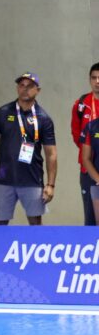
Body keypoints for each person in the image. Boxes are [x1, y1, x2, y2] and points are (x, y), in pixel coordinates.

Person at [0, 72, 57, 226]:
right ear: (17, 88)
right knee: (0, 223)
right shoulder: (2, 113)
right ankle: (0, 250)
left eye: (29, 86)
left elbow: (51, 154)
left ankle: (36, 250)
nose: (25, 89)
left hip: (32, 179)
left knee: (35, 224)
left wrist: (50, 184)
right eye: (21, 85)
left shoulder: (43, 118)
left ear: (38, 90)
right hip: (4, 179)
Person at [69, 63, 99, 225]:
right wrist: (89, 153)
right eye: (94, 78)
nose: (97, 81)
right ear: (89, 80)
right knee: (91, 217)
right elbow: (76, 134)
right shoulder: (81, 104)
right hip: (87, 169)